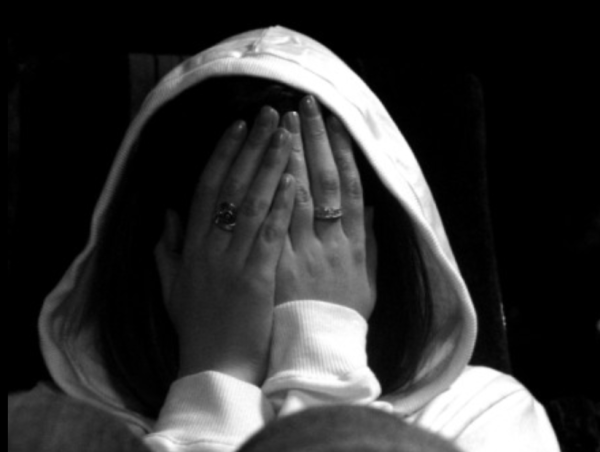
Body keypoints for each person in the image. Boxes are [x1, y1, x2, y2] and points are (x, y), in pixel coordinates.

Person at [31, 26, 559, 451]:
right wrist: (216, 375)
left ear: (374, 248)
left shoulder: (484, 413)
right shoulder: (55, 432)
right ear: (169, 252)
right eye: (235, 227)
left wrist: (321, 348)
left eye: (318, 225)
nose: (281, 260)